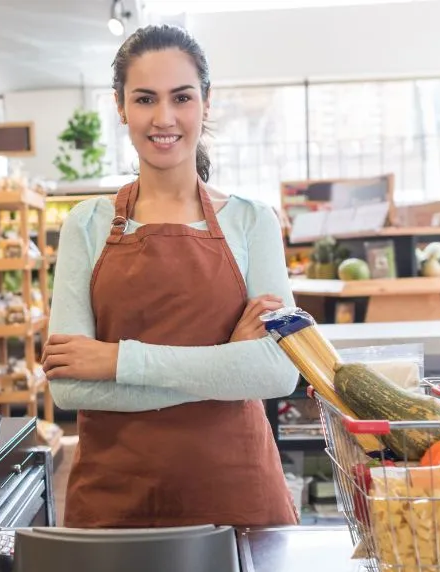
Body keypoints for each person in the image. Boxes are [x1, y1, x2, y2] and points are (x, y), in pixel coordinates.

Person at [43, 24, 300, 529]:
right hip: (117, 499)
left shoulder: (253, 221)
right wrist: (227, 366)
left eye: (181, 97)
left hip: (235, 493)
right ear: (120, 107)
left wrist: (116, 360)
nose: (164, 118)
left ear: (206, 100)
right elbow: (70, 388)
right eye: (144, 99)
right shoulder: (87, 224)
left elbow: (277, 373)